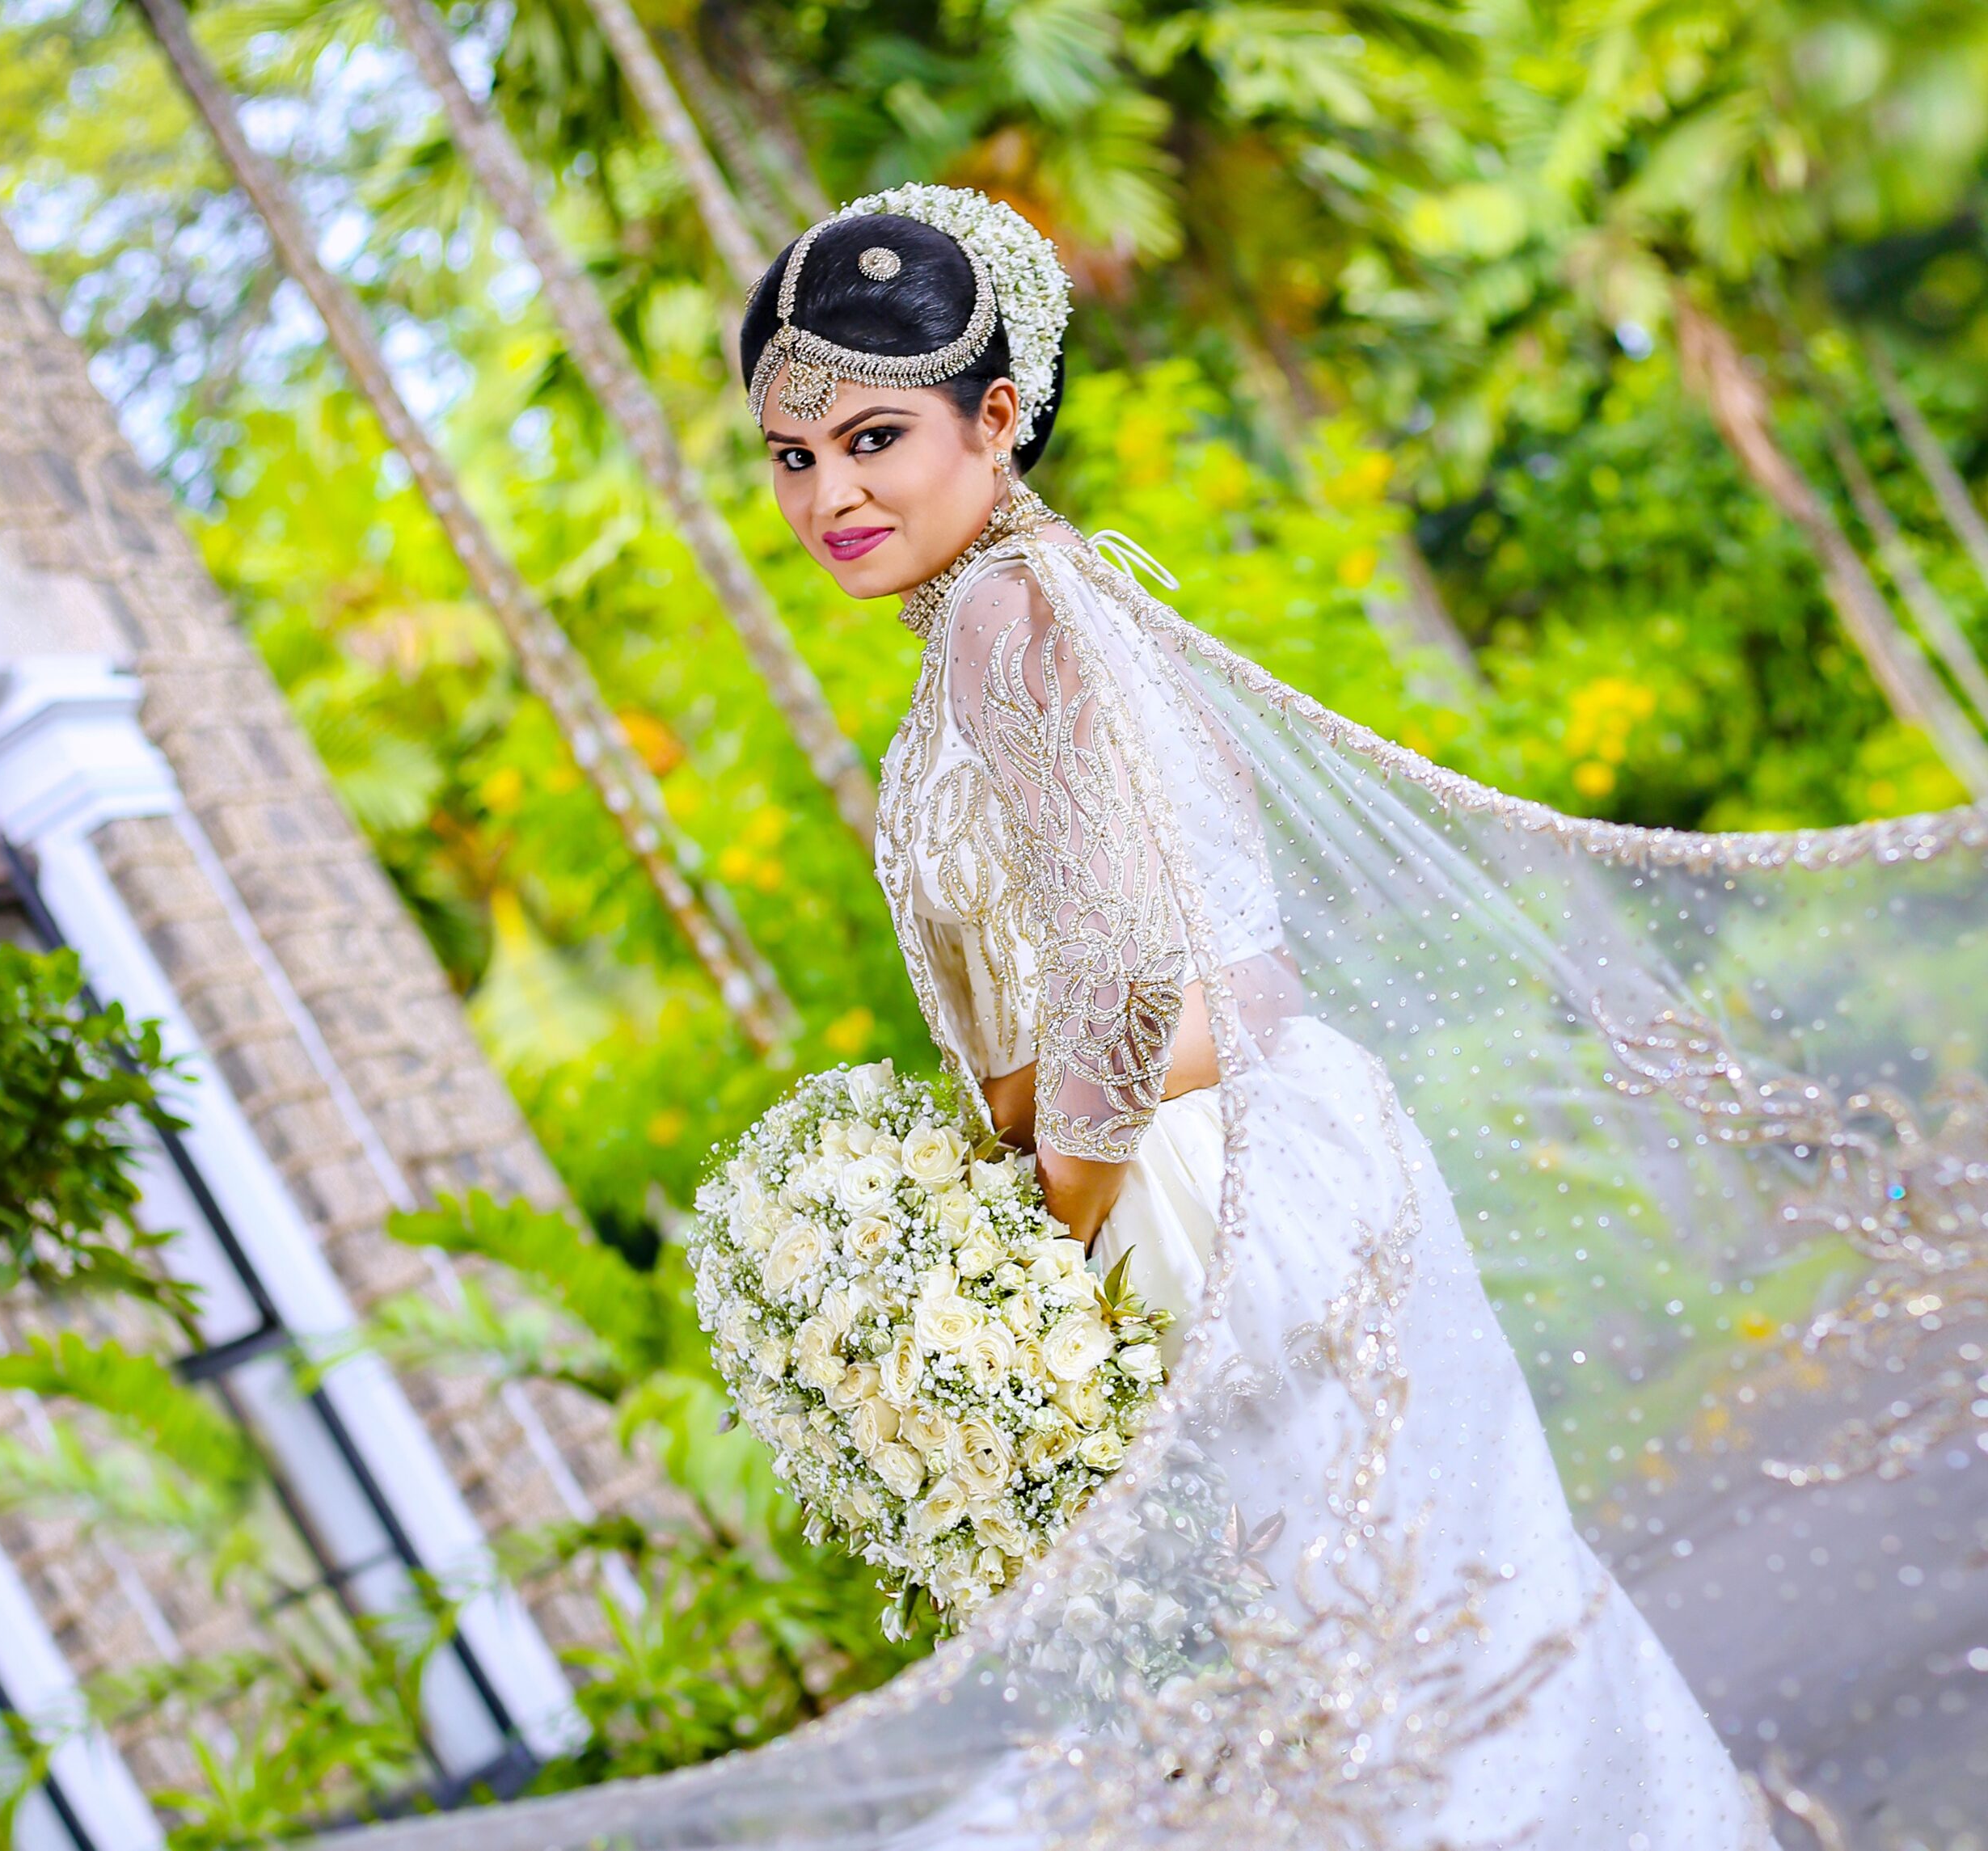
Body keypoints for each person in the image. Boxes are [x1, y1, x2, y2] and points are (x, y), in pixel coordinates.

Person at [441, 187, 1978, 1851]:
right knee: (1434, 1647)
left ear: (999, 413)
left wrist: (1038, 1230)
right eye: (792, 457)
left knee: (1358, 1690)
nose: (832, 491)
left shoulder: (1012, 618)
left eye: (873, 434)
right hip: (1265, 1152)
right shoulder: (1052, 603)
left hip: (1191, 1194)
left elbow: (1138, 963)